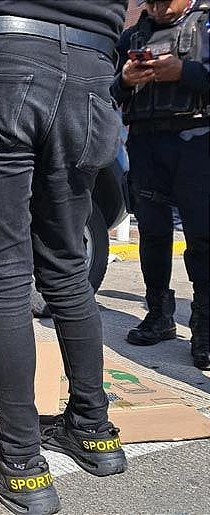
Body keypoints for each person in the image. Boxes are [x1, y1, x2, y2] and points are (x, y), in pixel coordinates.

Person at [0, 2, 129, 513]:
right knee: (68, 267)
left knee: (2, 276)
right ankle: (94, 432)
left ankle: (20, 463)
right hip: (92, 70)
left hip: (0, 56)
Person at [113, 0, 209, 370]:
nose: (156, 8)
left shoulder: (205, 25)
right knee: (152, 232)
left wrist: (183, 72)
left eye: (164, 2)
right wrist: (125, 80)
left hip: (197, 138)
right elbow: (108, 90)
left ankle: (204, 324)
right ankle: (159, 314)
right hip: (146, 142)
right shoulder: (133, 36)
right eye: (150, 2)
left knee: (203, 237)